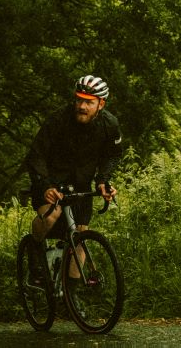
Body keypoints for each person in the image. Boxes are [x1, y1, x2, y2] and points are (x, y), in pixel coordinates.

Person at [24, 75, 122, 283]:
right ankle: (34, 252)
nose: (82, 106)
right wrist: (45, 185)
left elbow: (112, 155)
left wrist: (103, 180)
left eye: (89, 102)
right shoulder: (58, 120)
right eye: (79, 100)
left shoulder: (109, 124)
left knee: (81, 237)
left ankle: (72, 295)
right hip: (50, 181)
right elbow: (36, 154)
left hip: (80, 185)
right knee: (52, 215)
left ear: (100, 104)